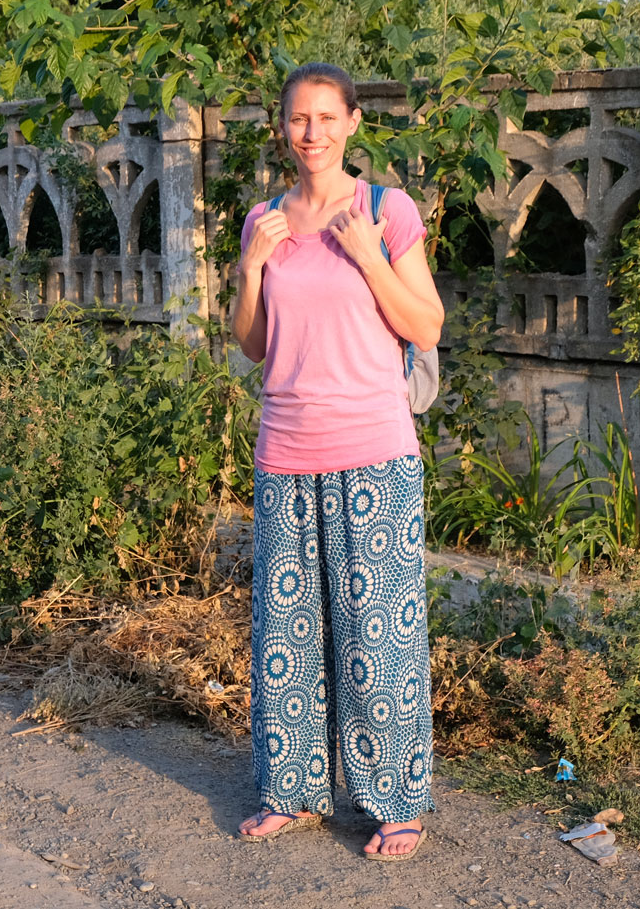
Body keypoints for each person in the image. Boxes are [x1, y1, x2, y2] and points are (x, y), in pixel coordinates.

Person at [228, 62, 445, 861]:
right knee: (288, 634)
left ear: (354, 121)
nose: (311, 131)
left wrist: (371, 256)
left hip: (374, 451)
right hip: (286, 449)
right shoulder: (264, 219)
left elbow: (426, 321)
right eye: (296, 118)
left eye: (326, 116)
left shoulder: (386, 211)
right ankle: (292, 788)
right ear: (282, 128)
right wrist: (251, 265)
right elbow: (253, 344)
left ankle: (396, 800)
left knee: (377, 633)